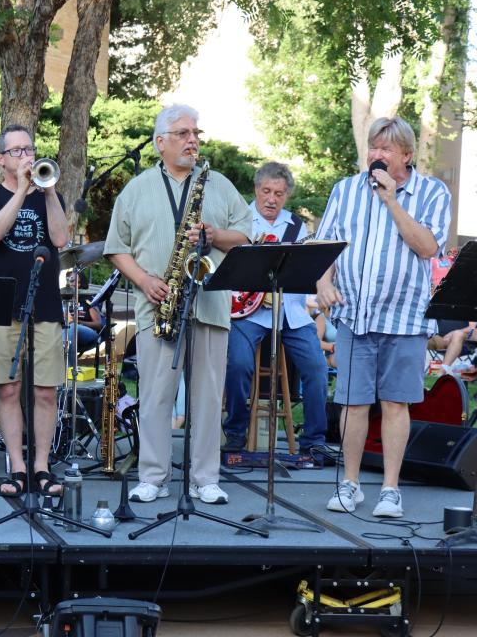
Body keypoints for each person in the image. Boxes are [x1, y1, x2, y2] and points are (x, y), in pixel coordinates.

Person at [104, 104, 251, 505]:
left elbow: (246, 235)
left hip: (210, 303)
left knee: (207, 396)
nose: (193, 140)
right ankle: (153, 475)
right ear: (160, 143)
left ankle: (206, 478)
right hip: (159, 305)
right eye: (184, 133)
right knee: (154, 395)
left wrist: (215, 234)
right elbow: (116, 248)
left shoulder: (217, 184)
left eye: (196, 134)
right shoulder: (135, 189)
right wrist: (145, 280)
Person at [315, 117, 451, 518]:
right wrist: (323, 282)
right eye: (374, 146)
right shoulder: (345, 190)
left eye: (386, 148)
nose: (376, 154)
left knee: (395, 403)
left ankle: (390, 489)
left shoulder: (432, 192)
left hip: (405, 318)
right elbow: (327, 245)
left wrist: (393, 200)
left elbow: (428, 248)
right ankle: (350, 484)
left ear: (406, 155)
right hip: (354, 314)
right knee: (353, 404)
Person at [0, 124, 69, 498]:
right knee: (9, 389)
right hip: (1, 305)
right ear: (1, 159)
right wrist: (20, 192)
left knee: (46, 391)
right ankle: (16, 465)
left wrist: (47, 193)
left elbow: (62, 239)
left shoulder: (49, 194)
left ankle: (41, 466)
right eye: (16, 151)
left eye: (28, 149)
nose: (25, 156)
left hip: (45, 303)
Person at [222, 162, 330, 456]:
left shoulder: (297, 226)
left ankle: (314, 441)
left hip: (290, 312)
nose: (272, 198)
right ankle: (235, 432)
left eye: (279, 194)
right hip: (248, 313)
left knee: (318, 370)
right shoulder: (240, 220)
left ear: (287, 196)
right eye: (266, 191)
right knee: (238, 364)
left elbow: (309, 268)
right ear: (256, 190)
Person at [63, 269, 104, 362]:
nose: (71, 283)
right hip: (67, 331)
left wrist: (78, 322)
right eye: (69, 280)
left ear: (81, 284)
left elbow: (98, 324)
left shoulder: (87, 299)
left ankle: (70, 369)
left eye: (74, 281)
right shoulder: (64, 299)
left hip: (89, 333)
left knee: (72, 327)